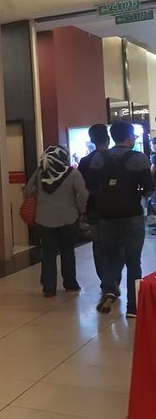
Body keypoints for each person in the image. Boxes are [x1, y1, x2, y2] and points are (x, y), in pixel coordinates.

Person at [87, 122, 154, 318]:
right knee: (133, 261)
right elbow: (149, 189)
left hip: (106, 216)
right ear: (129, 137)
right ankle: (133, 307)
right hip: (132, 215)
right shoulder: (139, 158)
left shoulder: (99, 158)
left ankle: (109, 288)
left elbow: (90, 185)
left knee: (109, 255)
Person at [24, 145, 87, 297]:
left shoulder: (40, 173)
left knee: (48, 253)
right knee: (67, 251)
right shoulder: (73, 173)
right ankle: (70, 283)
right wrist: (80, 210)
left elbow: (28, 190)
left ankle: (48, 287)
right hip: (68, 219)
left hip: (43, 219)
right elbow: (83, 194)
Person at [78, 123, 111, 282]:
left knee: (98, 245)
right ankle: (113, 279)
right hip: (114, 210)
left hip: (94, 209)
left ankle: (105, 281)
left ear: (91, 140)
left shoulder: (85, 161)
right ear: (108, 138)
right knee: (115, 244)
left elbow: (81, 187)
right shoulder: (115, 158)